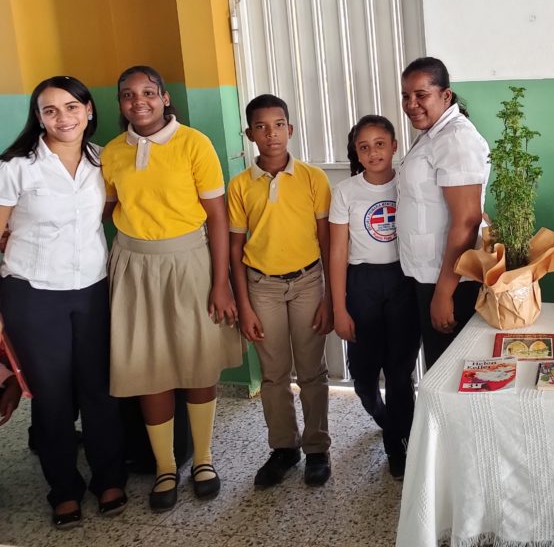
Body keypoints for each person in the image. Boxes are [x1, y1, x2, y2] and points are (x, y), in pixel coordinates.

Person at [101, 66, 243, 512]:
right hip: (134, 267)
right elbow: (104, 209)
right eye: (127, 94)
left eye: (147, 92)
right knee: (148, 367)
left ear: (164, 98)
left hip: (190, 264)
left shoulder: (193, 144)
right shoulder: (111, 153)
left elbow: (217, 218)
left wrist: (220, 284)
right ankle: (165, 466)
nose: (137, 101)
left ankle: (202, 459)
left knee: (199, 363)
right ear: (120, 103)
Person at [0, 76, 126, 528]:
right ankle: (64, 490)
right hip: (33, 294)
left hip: (92, 287)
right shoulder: (16, 166)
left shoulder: (104, 160)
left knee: (99, 390)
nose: (63, 118)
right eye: (50, 110)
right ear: (38, 118)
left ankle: (109, 477)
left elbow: (111, 213)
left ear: (88, 110)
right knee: (52, 397)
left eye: (71, 107)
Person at [228, 95, 333, 488]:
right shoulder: (240, 185)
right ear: (250, 133)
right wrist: (244, 305)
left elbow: (327, 242)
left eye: (278, 125)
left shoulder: (312, 178)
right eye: (261, 126)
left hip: (308, 282)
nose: (270, 134)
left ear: (290, 129)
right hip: (262, 287)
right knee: (273, 374)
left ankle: (317, 449)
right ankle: (283, 448)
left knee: (312, 371)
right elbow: (235, 251)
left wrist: (328, 297)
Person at [330, 114, 419, 480]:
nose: (373, 152)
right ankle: (388, 423)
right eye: (363, 147)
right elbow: (337, 252)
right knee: (365, 379)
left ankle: (402, 443)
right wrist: (339, 307)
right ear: (356, 152)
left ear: (395, 146)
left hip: (403, 279)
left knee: (400, 374)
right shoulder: (346, 191)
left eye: (380, 143)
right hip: (362, 282)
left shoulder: (409, 186)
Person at [397, 57, 490, 369]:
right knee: (439, 371)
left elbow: (467, 220)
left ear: (445, 96)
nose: (411, 104)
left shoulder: (456, 139)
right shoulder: (434, 134)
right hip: (429, 274)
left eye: (421, 95)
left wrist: (443, 294)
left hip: (451, 282)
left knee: (450, 375)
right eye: (406, 96)